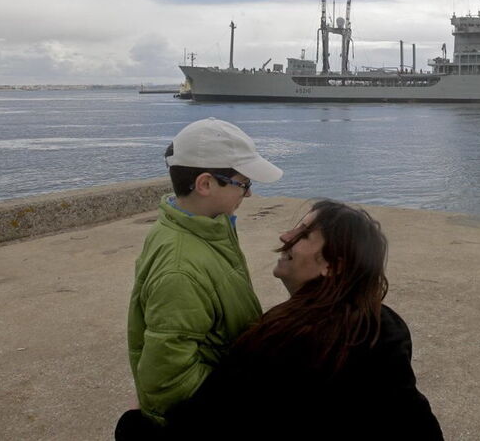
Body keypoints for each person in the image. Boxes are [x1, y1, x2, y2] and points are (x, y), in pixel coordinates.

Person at [165, 200, 443, 440]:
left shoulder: (283, 339)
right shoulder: (382, 325)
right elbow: (415, 421)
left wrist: (135, 421)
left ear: (333, 265)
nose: (285, 236)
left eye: (305, 234)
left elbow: (202, 422)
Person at [116, 118, 284, 438]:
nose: (248, 194)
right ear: (205, 184)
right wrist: (239, 402)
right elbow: (167, 380)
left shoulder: (201, 227)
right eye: (244, 183)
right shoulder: (180, 269)